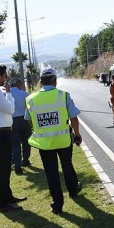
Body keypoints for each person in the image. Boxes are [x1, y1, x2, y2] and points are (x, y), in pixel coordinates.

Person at [25, 67, 83, 214]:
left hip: (44, 143)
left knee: (51, 172)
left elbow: (29, 120)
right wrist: (77, 134)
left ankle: (57, 204)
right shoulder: (63, 96)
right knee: (67, 165)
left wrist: (39, 129)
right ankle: (73, 190)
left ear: (40, 82)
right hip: (63, 140)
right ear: (55, 81)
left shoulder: (31, 99)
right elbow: (73, 117)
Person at [0, 65, 27, 212]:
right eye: (4, 76)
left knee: (4, 168)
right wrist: (8, 94)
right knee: (2, 169)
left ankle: (7, 197)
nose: (5, 79)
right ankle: (2, 203)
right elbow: (10, 109)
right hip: (0, 133)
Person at [9, 77, 32, 175]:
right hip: (24, 119)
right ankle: (25, 159)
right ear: (18, 83)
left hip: (12, 121)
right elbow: (30, 107)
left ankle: (16, 164)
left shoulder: (7, 93)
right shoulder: (24, 94)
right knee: (26, 141)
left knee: (15, 143)